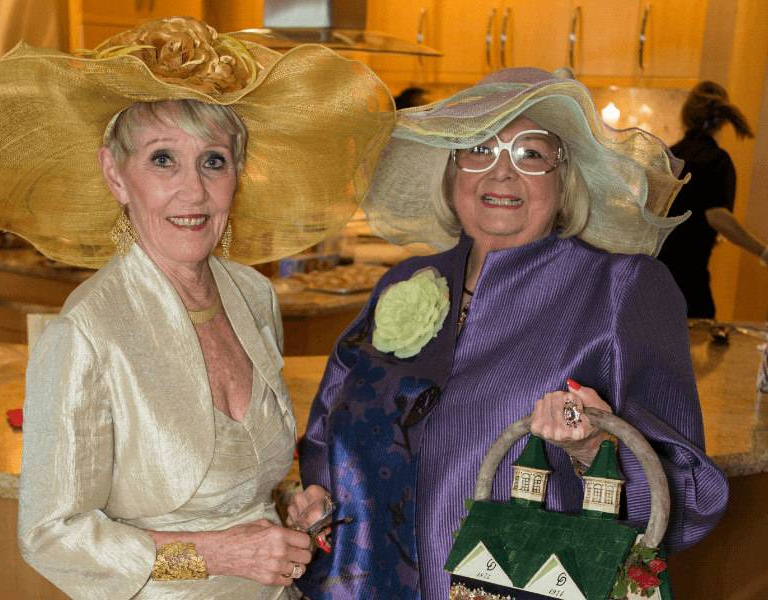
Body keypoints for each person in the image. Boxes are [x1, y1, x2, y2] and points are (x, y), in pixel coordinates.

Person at [0, 16, 394, 599]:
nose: (193, 192)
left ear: (237, 175)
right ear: (115, 174)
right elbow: (52, 536)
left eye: (213, 160)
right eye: (163, 159)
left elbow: (240, 484)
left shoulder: (252, 297)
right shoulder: (87, 330)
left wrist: (287, 508)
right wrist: (213, 554)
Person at [294, 67, 730, 600]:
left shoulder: (622, 290)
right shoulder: (404, 283)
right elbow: (325, 435)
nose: (501, 175)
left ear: (565, 177)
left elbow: (690, 497)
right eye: (478, 147)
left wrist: (595, 446)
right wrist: (315, 497)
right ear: (452, 171)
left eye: (530, 153)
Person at [657, 80, 767, 318]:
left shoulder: (666, 156)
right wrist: (763, 252)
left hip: (649, 289)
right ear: (722, 122)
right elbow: (717, 216)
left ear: (685, 117)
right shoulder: (717, 160)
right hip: (688, 291)